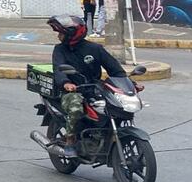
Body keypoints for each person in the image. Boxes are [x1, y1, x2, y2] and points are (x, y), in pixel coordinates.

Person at [47, 14, 137, 158]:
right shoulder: (59, 50)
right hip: (71, 91)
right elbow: (58, 69)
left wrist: (130, 84)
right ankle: (70, 139)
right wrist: (66, 83)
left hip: (94, 89)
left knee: (116, 108)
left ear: (71, 34)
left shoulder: (95, 49)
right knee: (76, 106)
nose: (59, 36)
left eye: (61, 33)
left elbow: (115, 69)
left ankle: (112, 150)